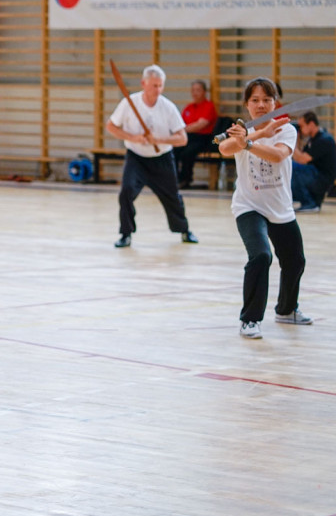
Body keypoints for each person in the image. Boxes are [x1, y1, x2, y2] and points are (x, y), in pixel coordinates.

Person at [218, 77, 310, 339]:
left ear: (275, 103)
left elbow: (278, 155)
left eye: (266, 100)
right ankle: (249, 320)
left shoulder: (287, 130)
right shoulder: (239, 130)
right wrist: (254, 135)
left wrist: (248, 142)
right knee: (260, 256)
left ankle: (286, 310)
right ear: (247, 104)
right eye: (255, 100)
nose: (261, 105)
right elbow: (225, 148)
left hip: (280, 208)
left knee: (295, 261)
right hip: (249, 206)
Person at [106, 64, 198, 248]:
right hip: (136, 158)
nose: (157, 90)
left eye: (160, 86)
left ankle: (184, 230)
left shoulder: (167, 107)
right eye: (154, 85)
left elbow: (182, 138)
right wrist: (133, 138)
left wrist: (159, 139)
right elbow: (111, 126)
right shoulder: (129, 103)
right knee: (126, 193)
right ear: (143, 83)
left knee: (172, 196)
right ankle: (126, 233)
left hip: (162, 159)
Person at [173, 79, 217, 188]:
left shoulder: (209, 106)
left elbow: (201, 124)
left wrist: (183, 130)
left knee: (187, 153)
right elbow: (180, 124)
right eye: (193, 90)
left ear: (204, 92)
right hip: (188, 136)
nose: (195, 93)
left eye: (198, 90)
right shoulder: (188, 107)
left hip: (203, 138)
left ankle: (185, 180)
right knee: (173, 150)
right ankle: (174, 178)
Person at [290, 111, 336, 213]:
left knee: (291, 166)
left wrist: (291, 141)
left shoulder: (324, 139)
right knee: (291, 167)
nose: (300, 129)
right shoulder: (313, 140)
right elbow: (300, 157)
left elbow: (301, 160)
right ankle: (310, 202)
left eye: (301, 126)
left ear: (311, 124)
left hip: (321, 179)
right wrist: (297, 140)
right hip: (316, 176)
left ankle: (309, 203)